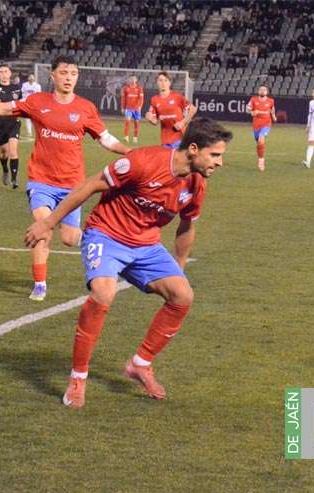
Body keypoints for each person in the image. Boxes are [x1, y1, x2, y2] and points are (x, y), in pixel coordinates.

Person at [23, 117, 233, 409]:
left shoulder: (196, 185)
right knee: (103, 292)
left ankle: (140, 363)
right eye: (215, 155)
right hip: (106, 234)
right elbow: (90, 185)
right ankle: (78, 377)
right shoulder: (143, 161)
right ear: (194, 149)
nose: (220, 162)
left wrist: (179, 267)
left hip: (146, 245)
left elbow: (187, 226)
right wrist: (48, 223)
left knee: (183, 295)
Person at [0, 56, 131, 301]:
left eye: (73, 73)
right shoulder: (37, 101)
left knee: (69, 238)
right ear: (52, 76)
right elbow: (2, 109)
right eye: (63, 73)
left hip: (73, 185)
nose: (68, 78)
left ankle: (101, 243)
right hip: (41, 182)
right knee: (43, 228)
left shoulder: (85, 108)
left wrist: (129, 152)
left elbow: (106, 139)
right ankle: (40, 284)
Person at [0, 64, 22, 188]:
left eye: (6, 71)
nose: (3, 74)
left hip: (14, 123)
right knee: (3, 153)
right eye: (1, 72)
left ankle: (14, 179)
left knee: (13, 151)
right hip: (0, 125)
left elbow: (20, 105)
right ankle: (5, 169)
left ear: (10, 73)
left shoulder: (16, 89)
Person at [146, 71, 196, 148]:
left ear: (169, 83)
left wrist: (183, 122)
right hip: (165, 140)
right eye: (160, 80)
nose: (163, 83)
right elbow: (155, 121)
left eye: (165, 80)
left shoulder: (177, 97)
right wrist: (149, 118)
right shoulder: (154, 100)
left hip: (180, 137)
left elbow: (193, 109)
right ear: (157, 83)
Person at [246, 84, 276, 172]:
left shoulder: (271, 101)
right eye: (261, 89)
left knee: (261, 139)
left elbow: (272, 109)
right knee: (259, 143)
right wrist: (252, 112)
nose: (262, 91)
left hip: (266, 124)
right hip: (256, 125)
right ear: (258, 91)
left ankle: (261, 160)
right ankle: (261, 157)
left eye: (264, 90)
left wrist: (274, 116)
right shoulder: (253, 99)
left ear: (267, 92)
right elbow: (247, 109)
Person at [121, 75, 144, 143]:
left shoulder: (139, 88)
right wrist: (123, 107)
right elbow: (123, 99)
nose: (132, 80)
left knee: (136, 123)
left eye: (134, 79)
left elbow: (141, 98)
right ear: (129, 80)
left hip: (136, 109)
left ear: (136, 80)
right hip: (128, 108)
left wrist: (139, 106)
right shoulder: (126, 88)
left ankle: (135, 137)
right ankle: (126, 137)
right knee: (127, 121)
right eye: (131, 79)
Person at [20, 73, 42, 138]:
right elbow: (22, 94)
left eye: (32, 77)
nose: (31, 78)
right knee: (28, 118)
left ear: (34, 78)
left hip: (34, 104)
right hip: (26, 103)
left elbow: (39, 96)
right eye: (30, 77)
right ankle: (29, 132)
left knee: (35, 118)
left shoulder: (37, 86)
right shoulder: (24, 85)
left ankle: (38, 131)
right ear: (28, 78)